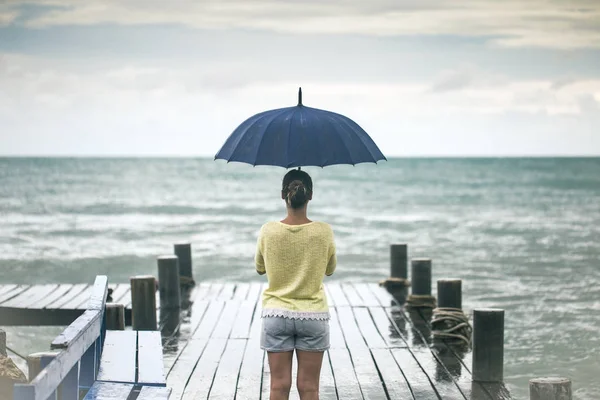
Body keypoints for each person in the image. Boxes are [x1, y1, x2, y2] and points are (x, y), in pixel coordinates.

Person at [255, 169, 336, 400]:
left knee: (278, 387)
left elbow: (260, 268)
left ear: (283, 195)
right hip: (313, 316)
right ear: (310, 195)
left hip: (276, 314)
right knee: (309, 388)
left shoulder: (268, 230)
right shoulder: (324, 231)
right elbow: (329, 270)